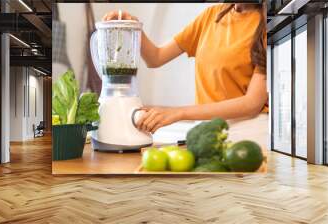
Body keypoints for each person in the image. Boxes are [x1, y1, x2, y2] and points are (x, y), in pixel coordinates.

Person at [102, 3, 268, 146]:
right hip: (205, 129)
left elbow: (252, 103)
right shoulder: (211, 16)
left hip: (248, 130)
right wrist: (133, 26)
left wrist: (178, 113)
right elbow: (155, 57)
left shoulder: (266, 24)